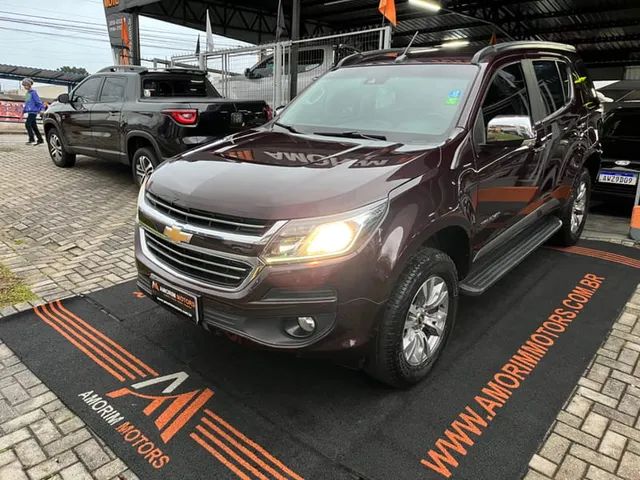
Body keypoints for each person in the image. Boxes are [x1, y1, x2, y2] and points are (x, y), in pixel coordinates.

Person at [21, 78, 44, 145]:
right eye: (24, 85)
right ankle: (40, 139)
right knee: (34, 126)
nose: (25, 87)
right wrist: (24, 111)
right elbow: (27, 103)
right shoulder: (28, 93)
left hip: (33, 112)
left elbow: (38, 102)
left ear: (29, 85)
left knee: (27, 124)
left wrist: (42, 109)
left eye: (25, 85)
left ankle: (32, 139)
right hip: (29, 112)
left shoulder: (33, 93)